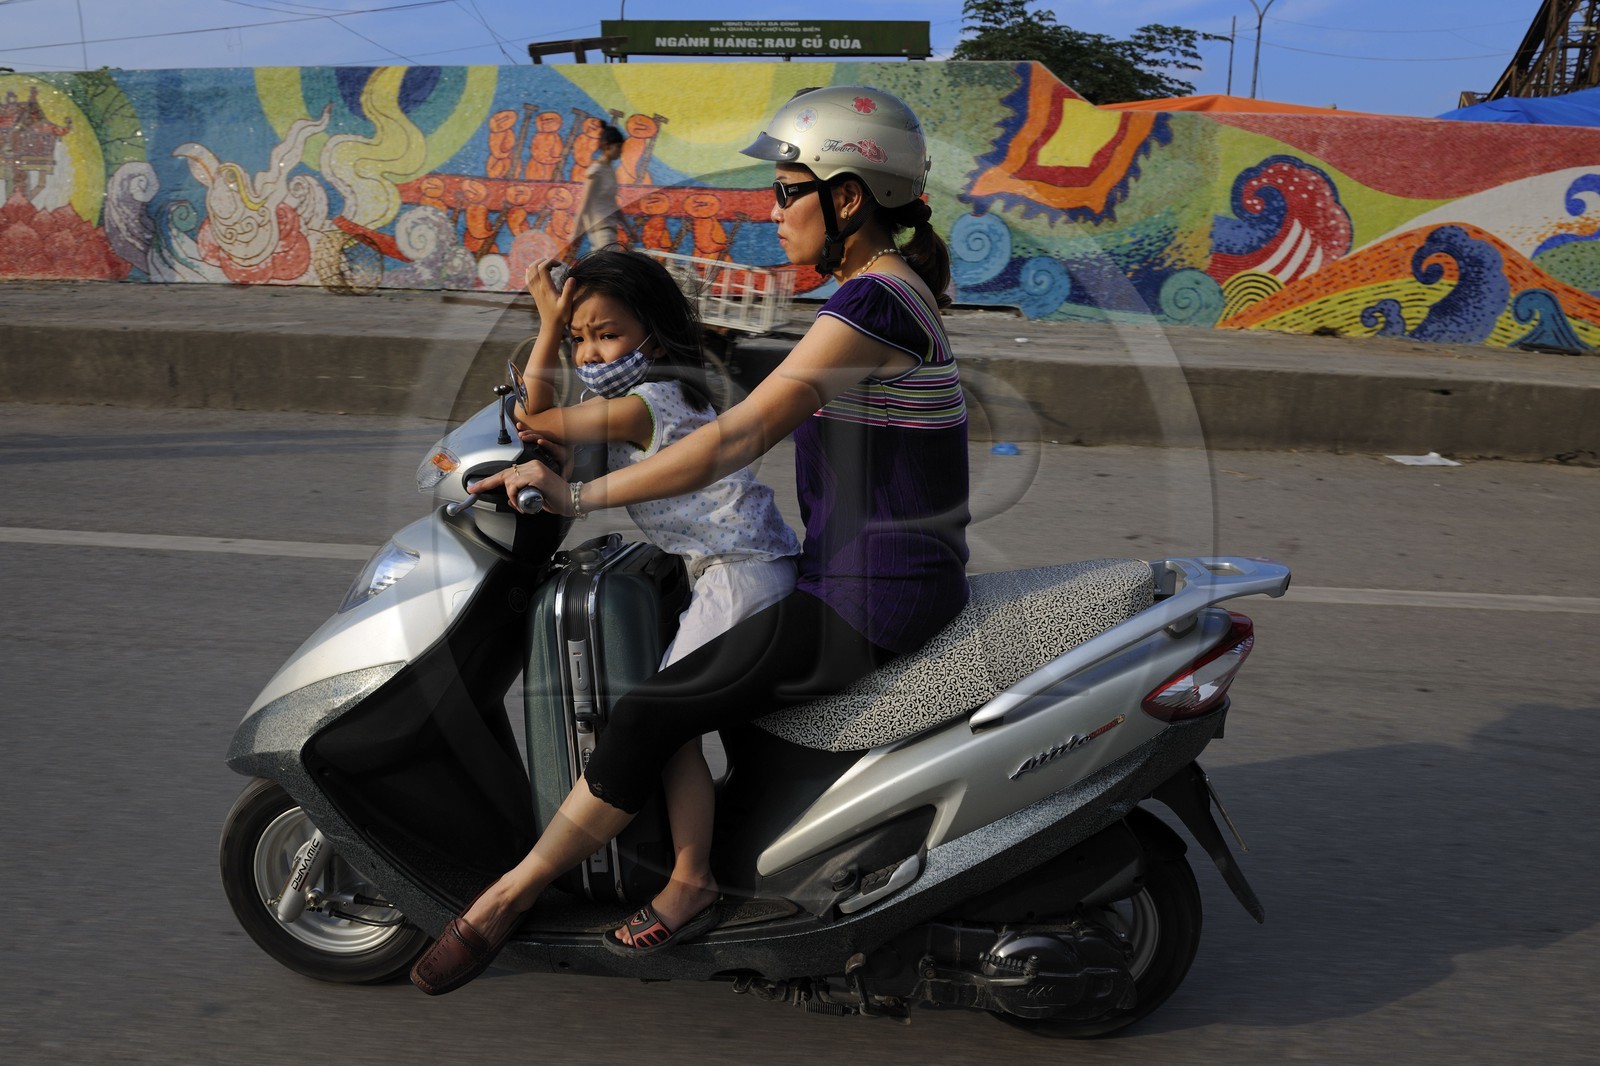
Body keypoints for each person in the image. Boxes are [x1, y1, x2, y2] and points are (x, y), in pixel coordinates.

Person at [410, 84, 969, 995]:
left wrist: (577, 494)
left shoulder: (872, 308)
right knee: (689, 690)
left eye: (788, 189)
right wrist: (556, 335)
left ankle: (516, 897)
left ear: (848, 198)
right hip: (860, 577)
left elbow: (734, 438)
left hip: (874, 593)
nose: (773, 209)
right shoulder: (882, 299)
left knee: (648, 713)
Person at [570, 123, 626, 255]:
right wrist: (575, 232)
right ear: (607, 146)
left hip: (609, 229)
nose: (620, 151)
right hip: (601, 230)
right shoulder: (596, 171)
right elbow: (584, 202)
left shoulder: (609, 170)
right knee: (609, 267)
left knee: (605, 266)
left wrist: (629, 228)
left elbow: (613, 204)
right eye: (618, 147)